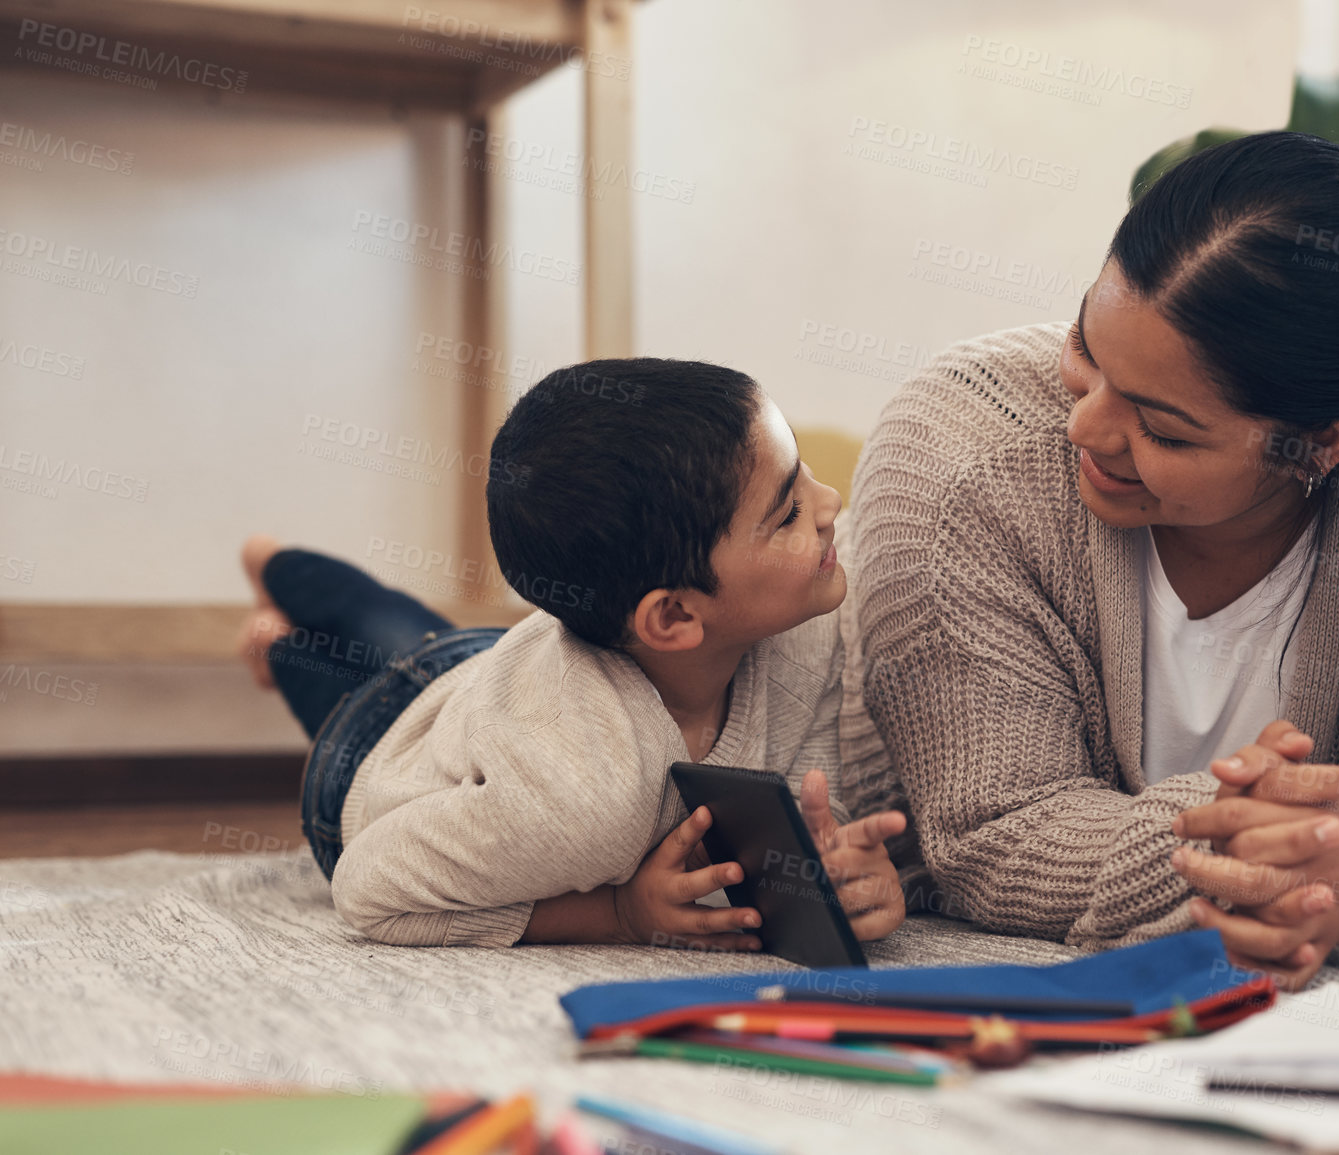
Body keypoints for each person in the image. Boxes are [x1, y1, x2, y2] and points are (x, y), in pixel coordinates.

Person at [840, 131, 1339, 990]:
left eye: (1162, 428)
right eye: (1086, 346)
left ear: (1322, 444)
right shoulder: (961, 449)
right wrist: (1255, 855)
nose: (1085, 428)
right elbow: (989, 830)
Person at [240, 358, 906, 949]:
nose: (830, 504)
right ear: (672, 615)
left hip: (489, 666)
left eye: (805, 476)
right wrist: (616, 911)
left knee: (389, 620)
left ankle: (279, 599)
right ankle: (270, 586)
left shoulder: (804, 626)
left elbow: (815, 789)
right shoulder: (580, 803)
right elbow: (367, 887)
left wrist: (843, 866)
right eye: (787, 512)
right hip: (373, 747)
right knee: (327, 648)